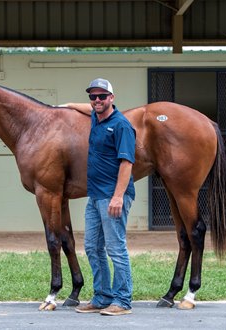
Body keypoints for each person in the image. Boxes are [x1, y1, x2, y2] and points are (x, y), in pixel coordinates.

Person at [74, 78, 136, 316]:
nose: (97, 100)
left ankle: (123, 301)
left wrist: (118, 197)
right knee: (92, 247)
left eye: (102, 96)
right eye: (93, 96)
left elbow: (127, 163)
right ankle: (102, 297)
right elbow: (85, 107)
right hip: (95, 196)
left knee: (115, 249)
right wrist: (64, 105)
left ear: (112, 98)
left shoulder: (121, 125)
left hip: (113, 196)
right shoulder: (95, 117)